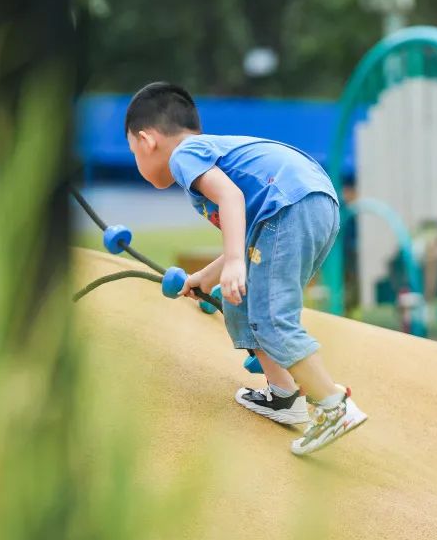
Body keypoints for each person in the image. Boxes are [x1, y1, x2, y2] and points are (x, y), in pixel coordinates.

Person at [124, 82, 368, 456]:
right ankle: (284, 395)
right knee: (243, 301)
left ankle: (334, 404)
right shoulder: (209, 152)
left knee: (271, 315)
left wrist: (236, 261)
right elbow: (255, 238)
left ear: (146, 140)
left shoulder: (184, 156)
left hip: (290, 207)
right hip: (311, 206)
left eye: (132, 151)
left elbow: (232, 198)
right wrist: (207, 276)